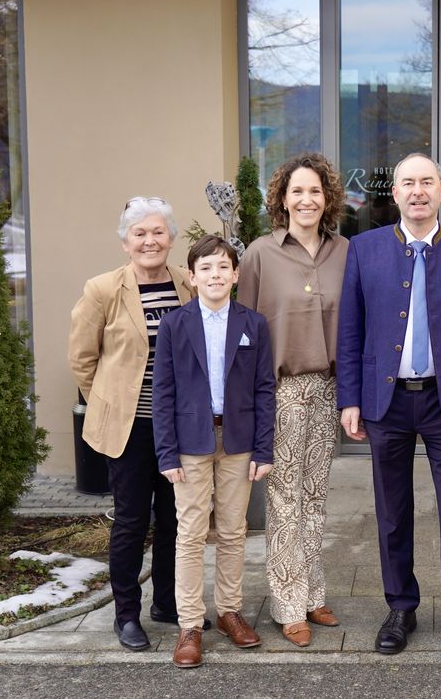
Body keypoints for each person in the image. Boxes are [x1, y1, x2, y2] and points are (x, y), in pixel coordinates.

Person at [336, 152, 441, 665]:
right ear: (396, 193)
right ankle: (400, 608)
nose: (418, 192)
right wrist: (351, 399)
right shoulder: (363, 250)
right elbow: (350, 331)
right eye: (408, 183)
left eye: (427, 182)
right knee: (391, 512)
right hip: (386, 401)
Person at [68, 196, 195, 652]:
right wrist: (109, 403)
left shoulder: (188, 283)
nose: (149, 241)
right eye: (139, 233)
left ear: (172, 238)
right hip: (129, 428)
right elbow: (83, 359)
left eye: (158, 232)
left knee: (175, 520)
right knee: (131, 520)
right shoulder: (103, 289)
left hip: (178, 426)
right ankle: (126, 615)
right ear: (125, 242)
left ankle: (166, 602)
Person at [236, 153, 349, 648]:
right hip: (278, 390)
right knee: (284, 499)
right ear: (282, 199)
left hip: (327, 387)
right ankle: (286, 603)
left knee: (317, 498)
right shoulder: (260, 253)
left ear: (328, 200)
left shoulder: (346, 251)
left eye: (315, 192)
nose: (306, 200)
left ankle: (312, 591)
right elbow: (243, 331)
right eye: (297, 191)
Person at [153, 235, 276, 668]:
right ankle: (189, 623)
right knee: (189, 534)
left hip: (239, 443)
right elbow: (163, 392)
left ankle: (229, 611)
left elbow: (264, 390)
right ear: (192, 276)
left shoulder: (253, 324)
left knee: (232, 530)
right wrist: (166, 454)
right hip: (190, 444)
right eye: (205, 268)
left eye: (223, 267)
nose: (215, 275)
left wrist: (264, 448)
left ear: (236, 274)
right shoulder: (175, 325)